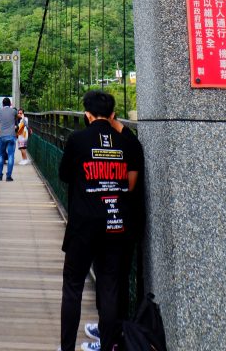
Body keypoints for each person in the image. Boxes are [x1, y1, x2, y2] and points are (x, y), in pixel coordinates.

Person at [57, 90, 143, 351]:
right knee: (110, 289)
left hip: (83, 227)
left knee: (73, 286)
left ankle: (67, 347)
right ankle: (108, 347)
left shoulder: (78, 139)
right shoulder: (126, 143)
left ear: (86, 115)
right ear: (114, 115)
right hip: (115, 224)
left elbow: (63, 175)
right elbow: (130, 182)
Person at [0, 96, 18, 181]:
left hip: (2, 135)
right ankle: (8, 176)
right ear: (10, 104)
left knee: (1, 155)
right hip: (11, 135)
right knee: (11, 155)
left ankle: (0, 175)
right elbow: (17, 116)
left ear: (2, 104)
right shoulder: (14, 111)